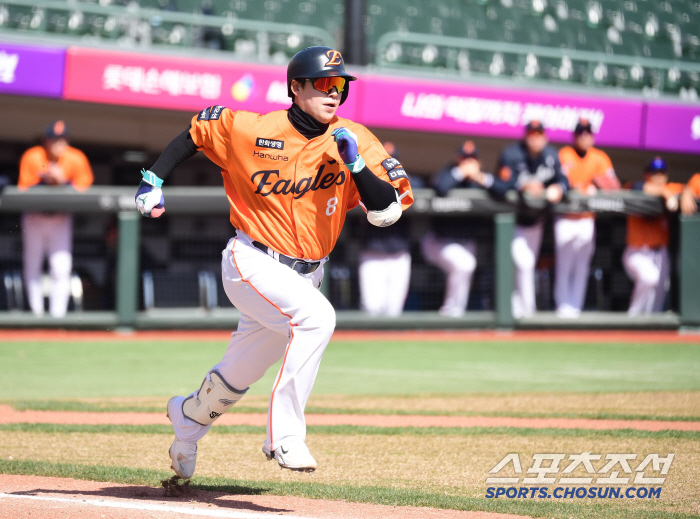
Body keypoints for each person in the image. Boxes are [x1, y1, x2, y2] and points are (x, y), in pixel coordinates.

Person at [134, 46, 413, 479]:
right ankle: (284, 437)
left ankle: (186, 420)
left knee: (239, 372)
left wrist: (355, 163)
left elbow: (387, 210)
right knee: (318, 319)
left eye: (340, 86)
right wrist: (152, 179)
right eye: (323, 83)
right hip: (251, 259)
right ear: (295, 87)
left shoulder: (354, 137)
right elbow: (198, 131)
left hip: (306, 275)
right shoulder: (252, 128)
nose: (334, 93)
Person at [467, 121, 569, 318]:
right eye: (532, 133)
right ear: (525, 136)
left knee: (525, 264)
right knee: (521, 262)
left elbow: (564, 181)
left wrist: (558, 188)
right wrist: (524, 186)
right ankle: (525, 312)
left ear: (545, 137)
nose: (535, 137)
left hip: (537, 221)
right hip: (512, 219)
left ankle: (521, 310)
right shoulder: (512, 154)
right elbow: (501, 186)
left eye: (539, 134)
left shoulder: (551, 155)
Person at [18, 120, 93, 317]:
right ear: (45, 140)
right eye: (54, 139)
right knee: (32, 265)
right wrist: (46, 180)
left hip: (60, 218)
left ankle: (56, 318)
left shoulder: (76, 158)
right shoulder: (33, 156)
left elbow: (85, 190)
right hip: (35, 217)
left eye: (62, 139)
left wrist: (63, 183)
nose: (59, 144)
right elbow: (22, 190)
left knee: (61, 267)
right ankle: (36, 315)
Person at [555, 118, 620, 318]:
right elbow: (562, 182)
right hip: (565, 217)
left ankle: (576, 308)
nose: (584, 136)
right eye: (581, 133)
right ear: (574, 136)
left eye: (588, 132)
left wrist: (599, 182)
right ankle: (562, 308)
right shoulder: (564, 154)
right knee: (564, 265)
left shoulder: (600, 157)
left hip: (586, 219)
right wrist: (583, 186)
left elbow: (614, 186)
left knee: (582, 266)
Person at [421, 140, 484, 317]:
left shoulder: (478, 178)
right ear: (457, 158)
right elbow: (440, 187)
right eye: (464, 158)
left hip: (466, 240)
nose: (468, 162)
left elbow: (502, 190)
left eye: (472, 158)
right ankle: (450, 313)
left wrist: (482, 178)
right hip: (438, 241)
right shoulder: (447, 173)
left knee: (465, 270)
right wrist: (460, 172)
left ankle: (457, 314)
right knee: (465, 264)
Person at [622, 157, 686, 315]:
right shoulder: (635, 187)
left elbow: (687, 188)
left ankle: (651, 334)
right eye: (654, 173)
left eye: (662, 173)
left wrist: (687, 193)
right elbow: (636, 187)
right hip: (637, 252)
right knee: (649, 278)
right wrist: (666, 193)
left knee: (657, 300)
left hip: (661, 252)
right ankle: (633, 317)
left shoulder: (670, 188)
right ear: (646, 175)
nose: (659, 177)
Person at [357, 142, 413, 317]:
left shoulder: (409, 184)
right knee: (371, 308)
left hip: (399, 256)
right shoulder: (363, 183)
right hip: (372, 254)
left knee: (394, 311)